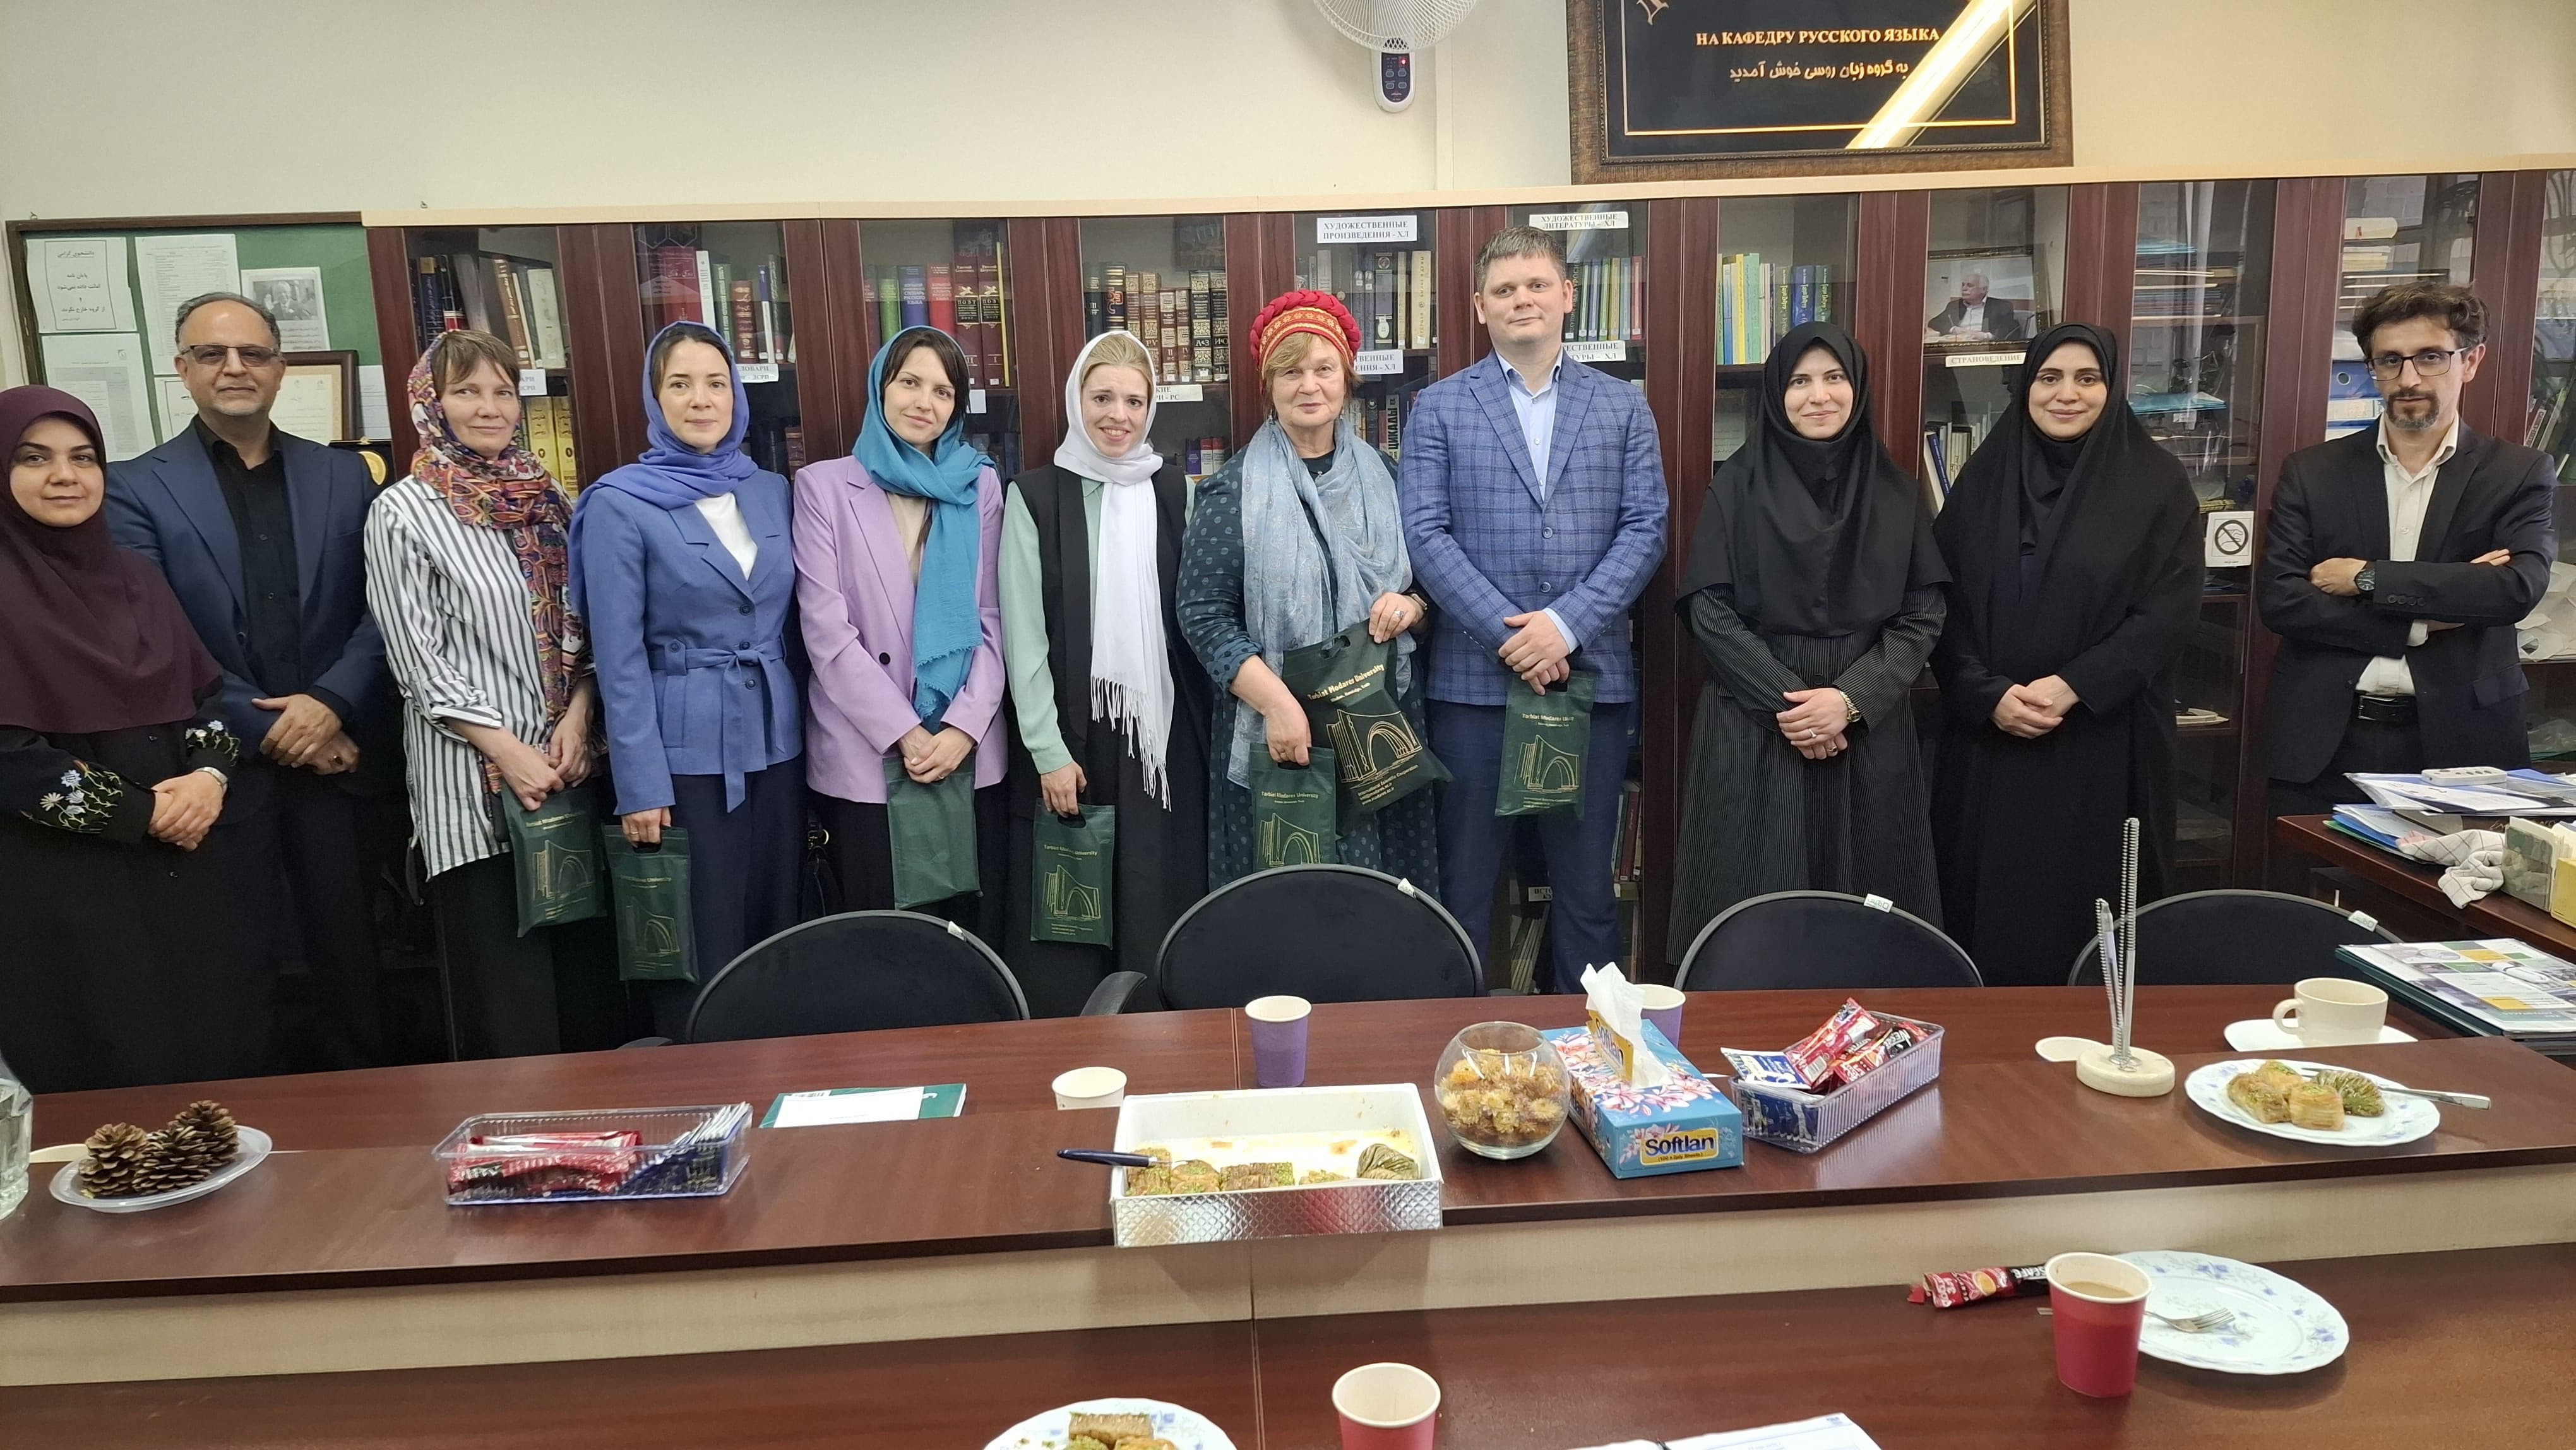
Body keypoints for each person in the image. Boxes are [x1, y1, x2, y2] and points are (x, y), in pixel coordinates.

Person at [107, 291, 392, 1070]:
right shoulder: (134, 488)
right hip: (217, 773)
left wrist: (331, 703)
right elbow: (160, 634)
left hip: (343, 770)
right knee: (235, 983)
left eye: (253, 353)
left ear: (280, 367)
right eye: (212, 354)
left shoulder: (346, 476)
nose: (234, 368)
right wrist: (275, 727)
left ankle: (366, 1124)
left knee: (356, 973)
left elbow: (387, 609)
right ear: (183, 370)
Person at [1399, 227, 1666, 991]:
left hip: (1589, 682)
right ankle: (1454, 1045)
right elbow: (1425, 533)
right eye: (1505, 288)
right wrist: (1512, 635)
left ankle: (1594, 1050)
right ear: (1479, 305)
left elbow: (1646, 528)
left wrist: (1564, 627)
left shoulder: (1623, 407)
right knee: (1464, 889)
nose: (1523, 299)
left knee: (1587, 893)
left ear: (1567, 296)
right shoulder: (1438, 407)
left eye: (1537, 284)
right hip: (1473, 690)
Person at [364, 331, 618, 1059]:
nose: (489, 408)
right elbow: (418, 661)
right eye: (467, 392)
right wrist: (508, 751)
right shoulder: (404, 512)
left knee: (588, 1004)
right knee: (509, 1015)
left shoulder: (551, 502)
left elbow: (589, 629)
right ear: (431, 403)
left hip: (568, 780)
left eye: (503, 391)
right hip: (474, 797)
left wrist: (580, 716)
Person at [0, 387, 259, 1092]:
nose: (65, 475)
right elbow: (9, 760)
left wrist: (209, 778)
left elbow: (207, 696)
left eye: (84, 458)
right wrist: (143, 813)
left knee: (209, 1056)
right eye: (35, 458)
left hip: (182, 870)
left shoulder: (136, 578)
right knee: (107, 1066)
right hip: (63, 887)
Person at [1666, 321, 1948, 964]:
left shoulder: (1896, 492)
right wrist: (1794, 708)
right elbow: (1708, 608)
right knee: (1751, 913)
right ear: (1776, 394)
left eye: (1834, 378)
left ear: (1858, 388)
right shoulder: (1736, 485)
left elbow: (1923, 613)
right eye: (1799, 381)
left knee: (1871, 919)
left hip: (1865, 725)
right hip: (1755, 721)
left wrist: (1846, 702)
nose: (1818, 395)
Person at [1929, 325, 2202, 986]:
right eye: (2050, 378)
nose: (2067, 394)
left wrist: (2074, 685)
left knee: (2089, 919)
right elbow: (1939, 604)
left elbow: (2167, 614)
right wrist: (1985, 692)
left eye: (2087, 379)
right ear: (2025, 387)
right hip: (1990, 743)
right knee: (1985, 916)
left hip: (2102, 743)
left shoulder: (2157, 484)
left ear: (2112, 387)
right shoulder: (1984, 479)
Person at [573, 321, 803, 1035]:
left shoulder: (770, 490)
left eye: (715, 383)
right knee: (701, 936)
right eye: (681, 384)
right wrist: (640, 784)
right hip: (685, 758)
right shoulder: (618, 502)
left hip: (779, 745)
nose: (701, 400)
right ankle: (707, 1081)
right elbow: (618, 657)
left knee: (778, 926)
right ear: (655, 396)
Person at [2260, 283, 2555, 837]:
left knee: (2447, 894)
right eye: (2390, 361)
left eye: (2430, 357)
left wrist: (2366, 577)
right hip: (2325, 744)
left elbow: (2513, 591)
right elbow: (2282, 600)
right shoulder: (2312, 471)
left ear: (2471, 361)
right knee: (2306, 890)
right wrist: (2421, 620)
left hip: (2463, 748)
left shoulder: (2516, 473)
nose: (2409, 379)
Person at [1178, 290, 1438, 892]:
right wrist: (1278, 707)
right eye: (1291, 372)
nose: (1310, 386)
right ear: (1269, 386)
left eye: (1324, 369)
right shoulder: (1232, 491)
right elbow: (1203, 616)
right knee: (1288, 901)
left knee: (1383, 901)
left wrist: (1413, 606)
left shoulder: (1389, 480)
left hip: (1381, 729)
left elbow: (1426, 588)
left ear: (1347, 380)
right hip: (1283, 731)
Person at [1000, 331, 1211, 1015]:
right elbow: (1024, 638)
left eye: (1133, 400)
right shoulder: (1035, 497)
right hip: (1074, 742)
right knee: (1074, 923)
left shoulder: (1177, 492)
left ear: (1150, 409)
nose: (1118, 415)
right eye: (1102, 398)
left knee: (1159, 900)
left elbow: (1201, 614)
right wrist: (1048, 751)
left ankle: (1164, 1048)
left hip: (1164, 742)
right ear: (1076, 401)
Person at [795, 326, 1007, 939]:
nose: (924, 402)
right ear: (881, 387)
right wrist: (906, 733)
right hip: (867, 754)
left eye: (943, 391)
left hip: (966, 753)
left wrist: (964, 726)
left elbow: (995, 617)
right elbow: (827, 632)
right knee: (883, 945)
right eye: (910, 382)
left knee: (967, 944)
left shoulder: (979, 483)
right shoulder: (824, 487)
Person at [1926, 270, 2026, 342]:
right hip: (1957, 347)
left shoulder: (2001, 306)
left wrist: (1985, 336)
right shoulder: (1955, 306)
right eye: (1963, 285)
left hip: (1985, 348)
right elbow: (1934, 323)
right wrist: (1953, 329)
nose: (1964, 289)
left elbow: (2010, 329)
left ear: (1983, 290)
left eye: (1969, 286)